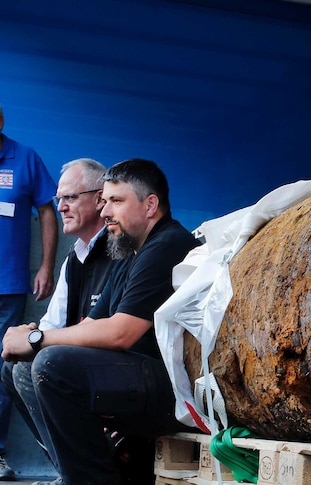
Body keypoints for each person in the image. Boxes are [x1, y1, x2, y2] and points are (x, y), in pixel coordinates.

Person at [1, 158, 200, 484]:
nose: (106, 211)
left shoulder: (168, 244)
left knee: (52, 363)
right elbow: (90, 324)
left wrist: (37, 341)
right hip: (138, 380)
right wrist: (31, 337)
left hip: (174, 392)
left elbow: (122, 332)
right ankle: (80, 473)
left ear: (150, 205)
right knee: (21, 367)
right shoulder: (131, 250)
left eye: (116, 201)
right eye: (105, 202)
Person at [1, 158, 113, 483]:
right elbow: (49, 327)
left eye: (70, 198)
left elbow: (115, 331)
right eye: (58, 199)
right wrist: (23, 337)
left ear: (99, 198)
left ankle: (85, 472)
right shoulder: (74, 258)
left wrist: (34, 341)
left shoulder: (122, 250)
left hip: (121, 367)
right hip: (84, 365)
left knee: (43, 364)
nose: (61, 206)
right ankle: (69, 471)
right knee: (15, 368)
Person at [0, 102, 58, 480]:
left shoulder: (24, 157)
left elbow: (49, 211)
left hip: (8, 286)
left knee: (3, 370)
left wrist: (47, 265)